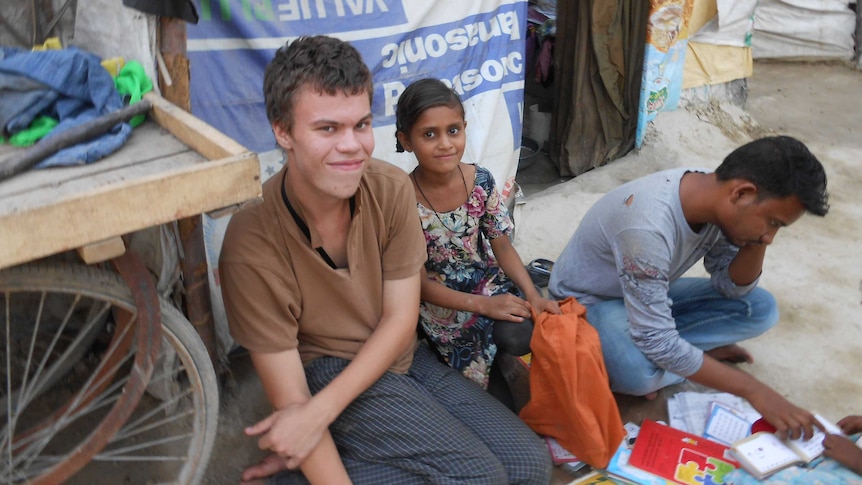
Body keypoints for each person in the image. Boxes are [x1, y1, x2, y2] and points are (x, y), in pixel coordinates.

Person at [219, 36, 552, 484]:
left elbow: (400, 317)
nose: (352, 146)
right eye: (327, 129)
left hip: (401, 354)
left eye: (359, 125)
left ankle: (308, 467)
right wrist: (314, 416)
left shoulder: (390, 187)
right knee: (481, 476)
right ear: (283, 131)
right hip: (327, 368)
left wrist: (318, 417)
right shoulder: (252, 240)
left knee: (530, 465)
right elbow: (292, 399)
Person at [548, 135, 830, 440]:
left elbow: (731, 287)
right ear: (742, 193)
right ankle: (688, 358)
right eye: (773, 223)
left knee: (760, 308)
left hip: (643, 297)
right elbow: (655, 338)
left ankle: (683, 358)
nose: (771, 236)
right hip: (587, 307)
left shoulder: (715, 196)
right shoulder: (647, 226)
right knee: (637, 373)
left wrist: (756, 239)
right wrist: (753, 390)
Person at [394, 78, 560, 406]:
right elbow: (419, 287)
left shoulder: (480, 179)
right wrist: (485, 306)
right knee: (500, 406)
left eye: (453, 130)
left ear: (465, 129)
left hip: (486, 283)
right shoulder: (401, 200)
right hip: (441, 306)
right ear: (406, 140)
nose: (445, 144)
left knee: (523, 331)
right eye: (429, 134)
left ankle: (500, 357)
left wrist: (532, 294)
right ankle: (492, 370)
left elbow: (500, 243)